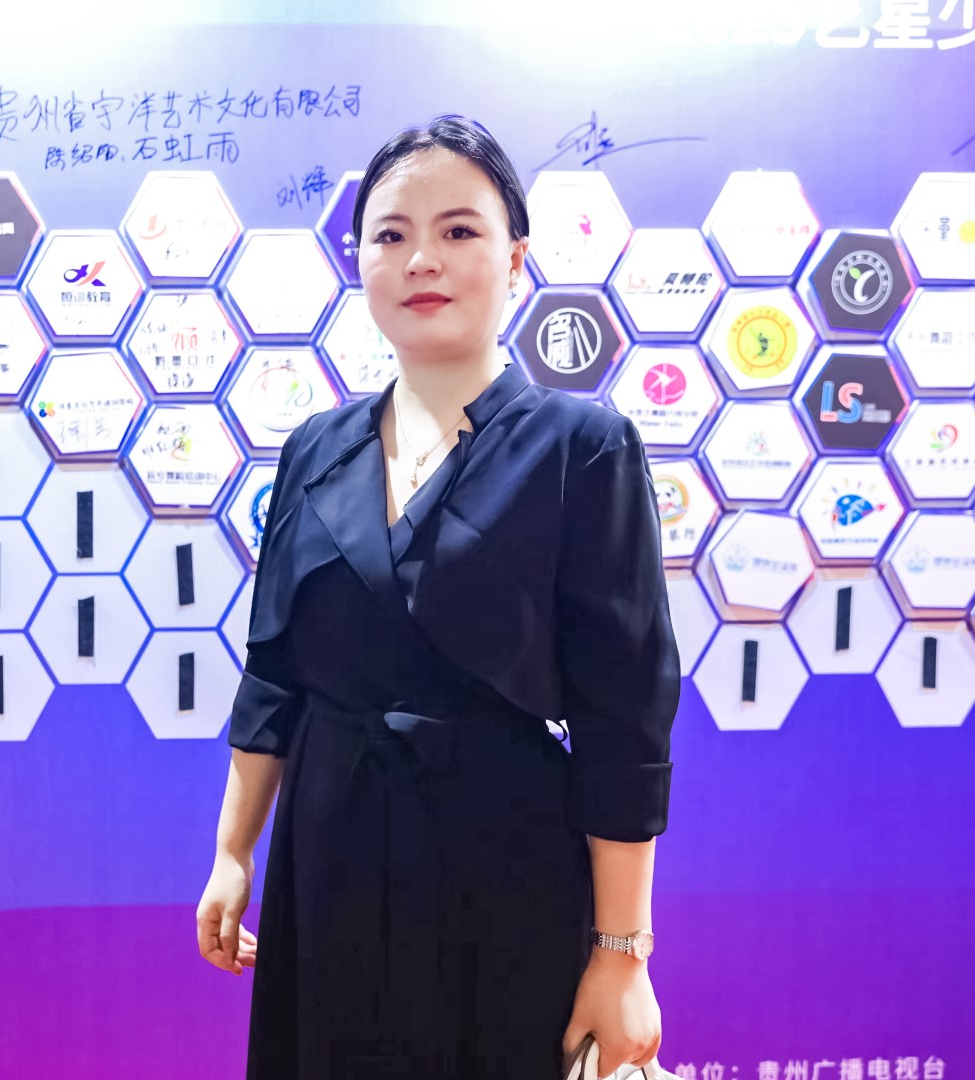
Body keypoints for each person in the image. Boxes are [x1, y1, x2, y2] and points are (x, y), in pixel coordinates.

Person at [195, 115, 680, 1078]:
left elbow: (623, 722)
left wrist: (621, 955)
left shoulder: (582, 448)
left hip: (501, 865)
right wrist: (233, 853)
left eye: (458, 230)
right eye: (390, 234)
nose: (422, 259)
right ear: (360, 260)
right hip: (326, 856)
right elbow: (274, 673)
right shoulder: (314, 448)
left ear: (516, 257)